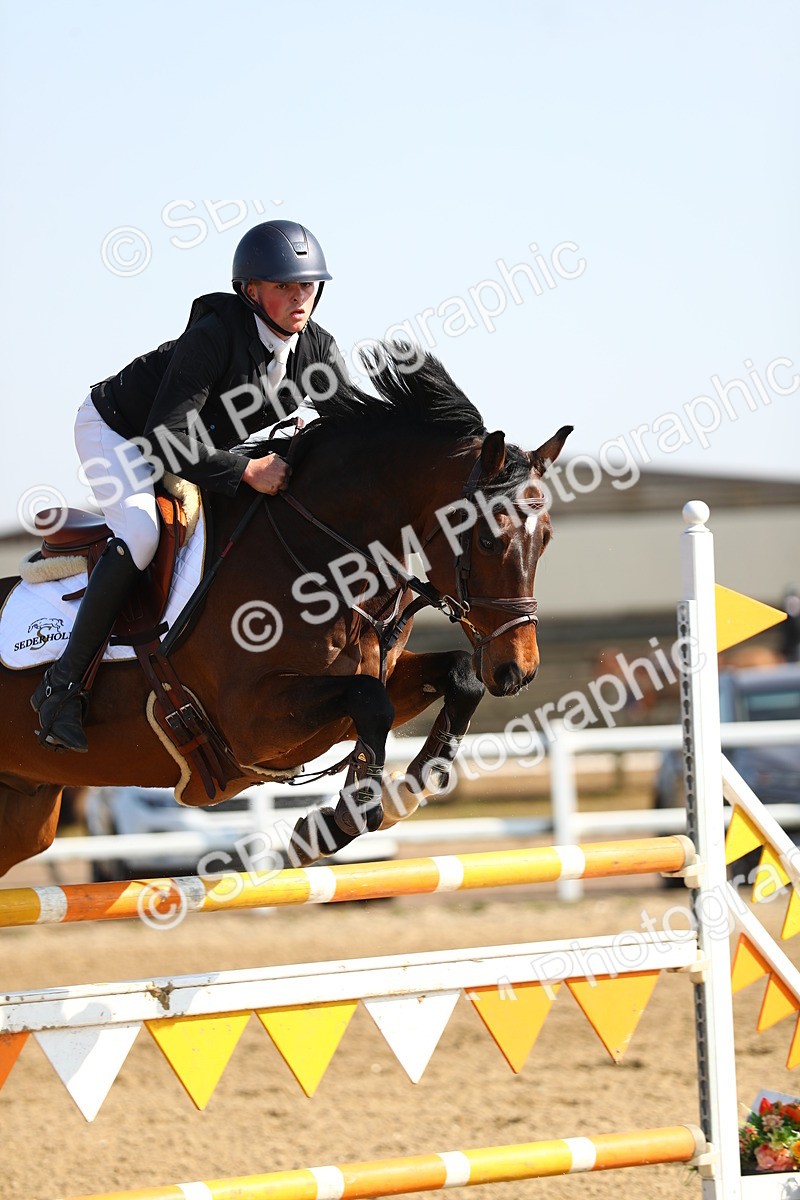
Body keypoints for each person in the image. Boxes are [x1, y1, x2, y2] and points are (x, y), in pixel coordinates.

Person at [32, 219, 347, 753]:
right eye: (283, 286)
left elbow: (348, 426)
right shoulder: (215, 336)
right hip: (121, 432)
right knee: (141, 532)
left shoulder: (315, 348)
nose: (300, 297)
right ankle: (60, 690)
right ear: (251, 291)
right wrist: (246, 471)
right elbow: (164, 439)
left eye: (308, 286)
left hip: (188, 440)